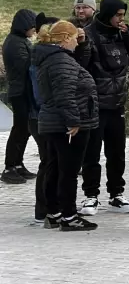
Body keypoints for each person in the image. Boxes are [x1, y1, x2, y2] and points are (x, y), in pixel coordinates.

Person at [32, 21, 98, 232]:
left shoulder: (51, 58)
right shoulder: (61, 60)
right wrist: (74, 121)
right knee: (68, 172)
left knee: (55, 168)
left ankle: (54, 213)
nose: (77, 44)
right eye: (74, 39)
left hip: (52, 122)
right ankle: (69, 216)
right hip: (66, 126)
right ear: (65, 39)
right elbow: (65, 94)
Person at [80, 0, 129, 216]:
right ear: (107, 14)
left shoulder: (123, 33)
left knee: (117, 152)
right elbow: (83, 65)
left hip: (117, 103)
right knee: (92, 152)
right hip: (95, 104)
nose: (121, 19)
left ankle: (116, 194)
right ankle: (91, 195)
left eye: (123, 15)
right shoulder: (88, 33)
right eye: (118, 15)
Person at [2, 9, 38, 184]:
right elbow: (26, 66)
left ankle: (18, 164)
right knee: (19, 129)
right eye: (33, 26)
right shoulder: (16, 43)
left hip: (22, 91)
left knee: (25, 130)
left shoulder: (20, 40)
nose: (34, 30)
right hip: (19, 92)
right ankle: (9, 166)